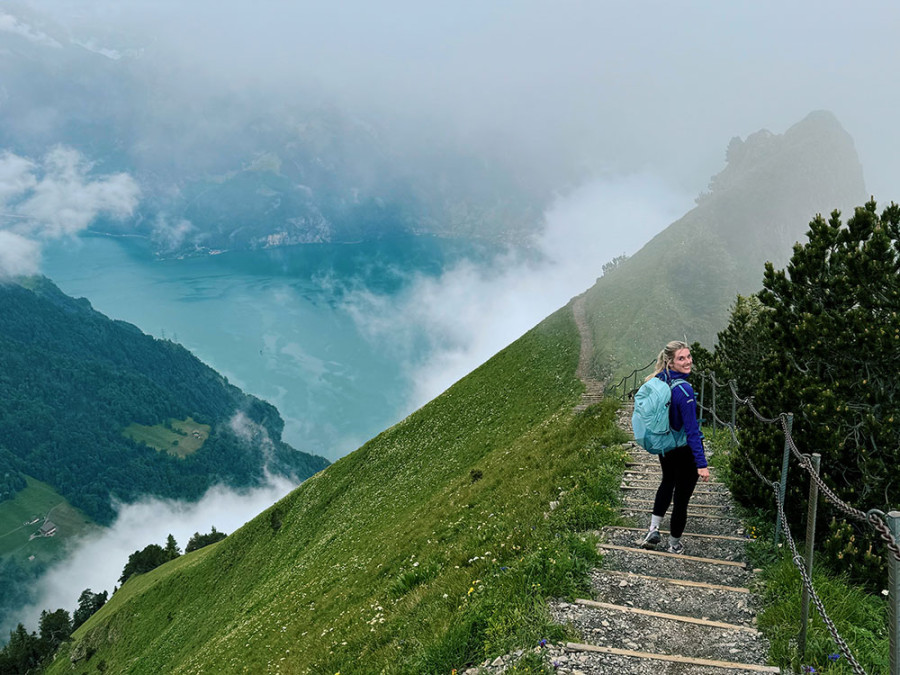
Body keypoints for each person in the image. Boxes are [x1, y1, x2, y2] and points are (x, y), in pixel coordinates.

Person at [639, 340, 709, 554]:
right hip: (683, 450)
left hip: (665, 446)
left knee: (667, 482)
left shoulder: (660, 380)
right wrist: (702, 463)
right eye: (682, 358)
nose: (688, 362)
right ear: (670, 362)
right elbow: (692, 431)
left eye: (688, 357)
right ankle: (674, 545)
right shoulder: (684, 391)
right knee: (681, 498)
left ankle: (653, 528)